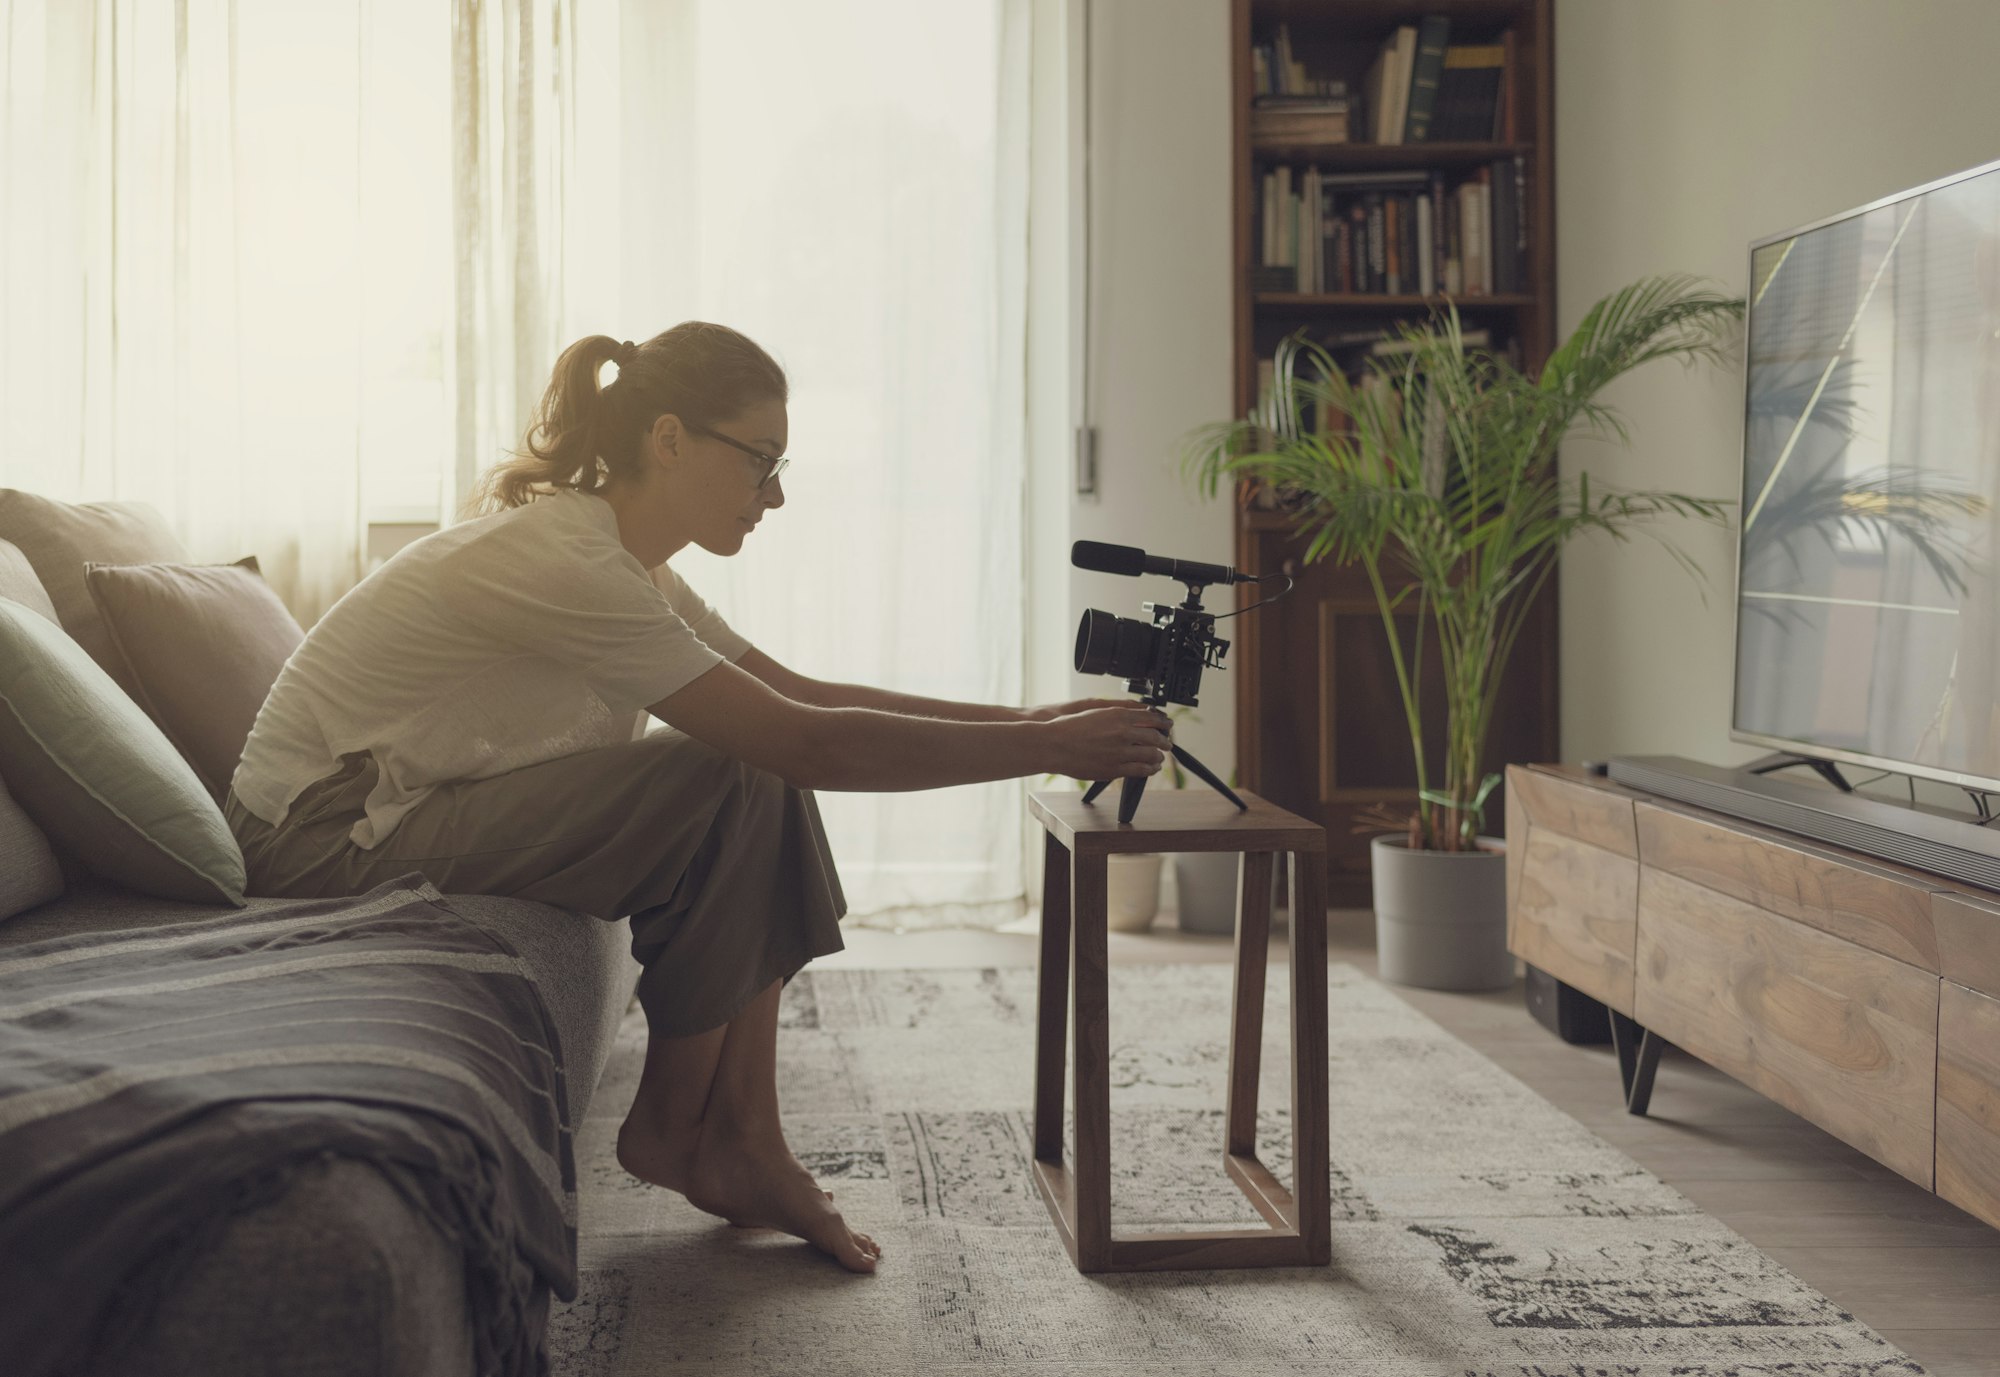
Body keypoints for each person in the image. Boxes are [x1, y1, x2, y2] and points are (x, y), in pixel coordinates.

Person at [224, 321, 1170, 1274]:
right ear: (668, 439)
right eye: (760, 461)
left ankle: (740, 1136)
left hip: (401, 807)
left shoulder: (630, 563)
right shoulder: (567, 559)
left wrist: (1028, 715)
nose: (778, 492)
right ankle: (700, 1132)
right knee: (742, 762)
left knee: (747, 759)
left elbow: (796, 694)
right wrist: (1040, 749)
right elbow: (800, 738)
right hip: (320, 835)